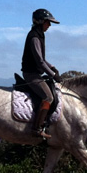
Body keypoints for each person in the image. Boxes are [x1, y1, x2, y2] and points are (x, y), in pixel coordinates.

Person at [21, 8, 62, 139]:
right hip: (31, 75)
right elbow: (39, 61)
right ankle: (36, 129)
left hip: (36, 73)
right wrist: (53, 75)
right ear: (40, 22)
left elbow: (43, 60)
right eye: (47, 22)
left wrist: (53, 67)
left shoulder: (39, 35)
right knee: (48, 97)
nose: (49, 25)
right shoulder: (34, 37)